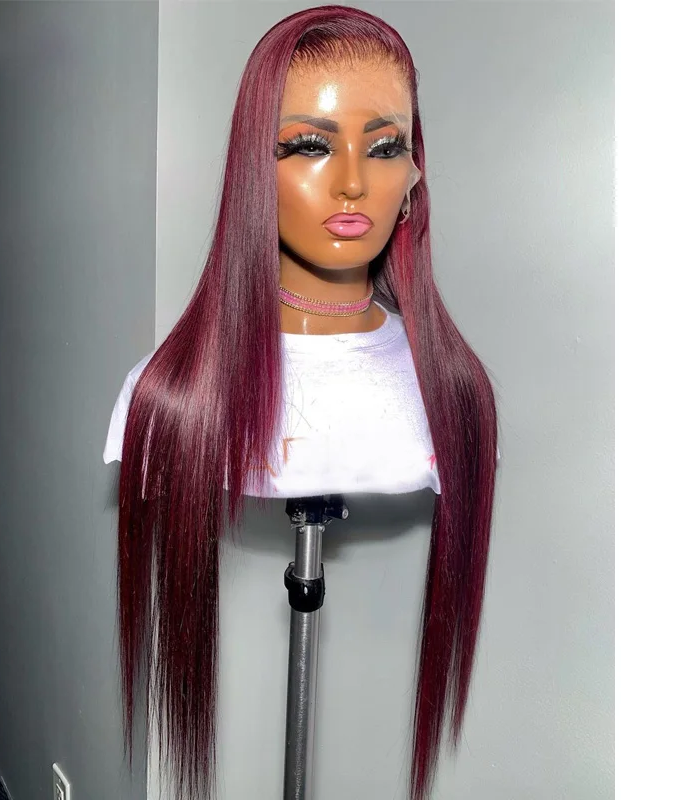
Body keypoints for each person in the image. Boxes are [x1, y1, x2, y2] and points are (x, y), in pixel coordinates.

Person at [105, 6, 499, 798]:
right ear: (255, 169)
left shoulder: (450, 395)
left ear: (414, 180)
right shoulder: (171, 399)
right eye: (311, 145)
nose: (353, 180)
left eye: (384, 147)